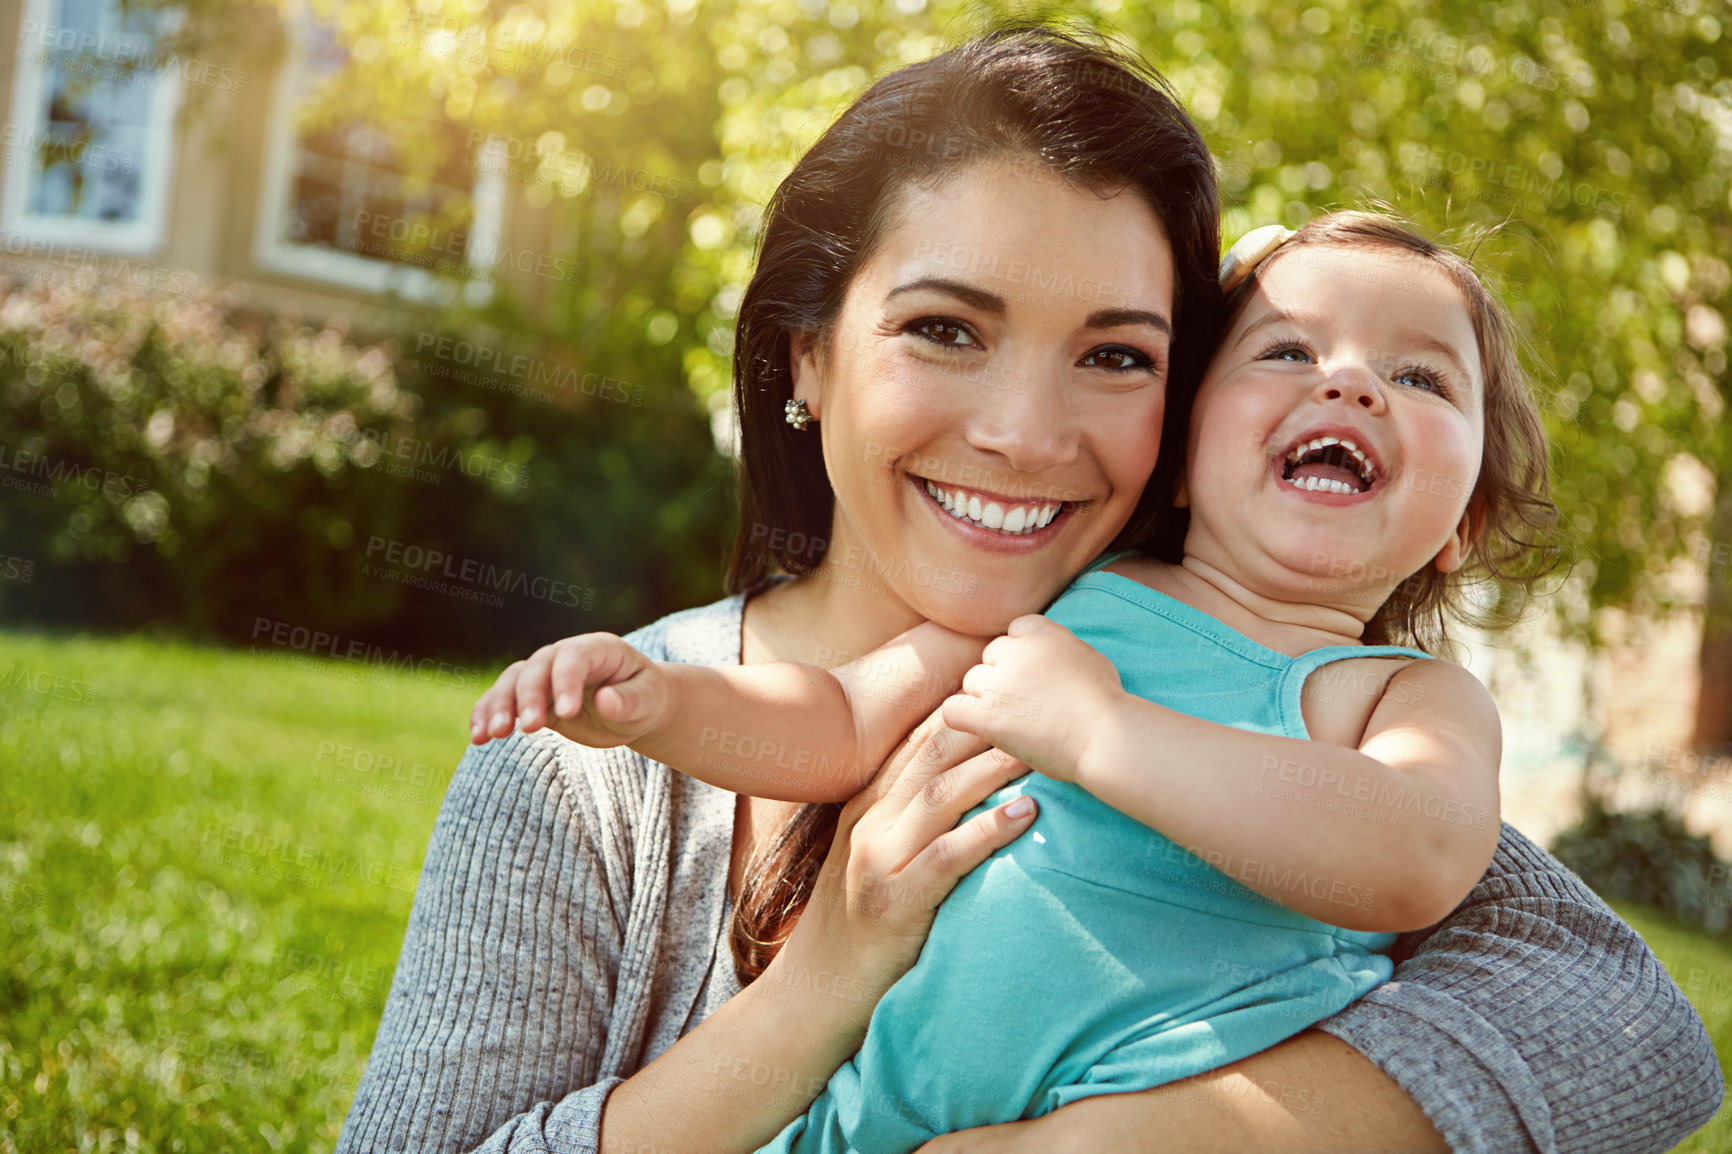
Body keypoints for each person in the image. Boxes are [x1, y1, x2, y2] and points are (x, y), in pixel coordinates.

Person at [336, 26, 1723, 1154]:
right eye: (945, 328)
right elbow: (824, 721)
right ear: (805, 359)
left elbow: (1625, 1028)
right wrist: (667, 716)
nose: (1020, 431)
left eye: (1115, 355)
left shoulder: (1356, 707)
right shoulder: (1031, 644)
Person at [474, 211, 1529, 1153]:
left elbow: (1415, 851)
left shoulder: (1399, 695)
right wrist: (661, 704)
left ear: (1466, 524)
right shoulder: (1075, 599)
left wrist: (1099, 730)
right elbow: (841, 715)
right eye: (1289, 349)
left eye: (1420, 377)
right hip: (862, 1119)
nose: (1346, 383)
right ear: (1183, 434)